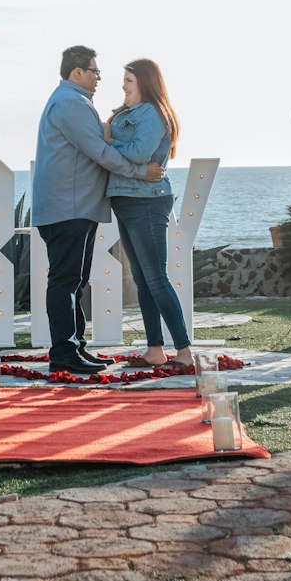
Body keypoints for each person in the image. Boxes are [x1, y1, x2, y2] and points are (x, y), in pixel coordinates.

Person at [32, 45, 165, 375]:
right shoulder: (71, 104)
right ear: (77, 73)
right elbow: (100, 152)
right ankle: (64, 352)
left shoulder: (72, 102)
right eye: (95, 72)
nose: (99, 79)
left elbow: (99, 149)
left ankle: (75, 347)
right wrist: (141, 172)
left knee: (74, 281)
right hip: (69, 208)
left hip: (73, 207)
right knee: (66, 281)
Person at [105, 58, 192, 368]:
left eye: (129, 81)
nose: (123, 86)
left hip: (147, 201)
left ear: (144, 82)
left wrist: (108, 141)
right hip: (127, 200)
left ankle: (183, 352)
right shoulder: (127, 113)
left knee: (156, 279)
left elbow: (140, 153)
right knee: (143, 281)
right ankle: (155, 350)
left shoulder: (152, 114)